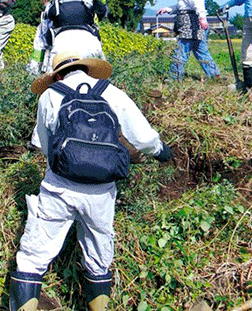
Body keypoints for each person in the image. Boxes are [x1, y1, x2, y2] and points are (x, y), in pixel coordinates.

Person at [9, 50, 173, 311]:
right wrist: (161, 151)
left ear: (57, 74)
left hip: (59, 188)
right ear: (87, 69)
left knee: (33, 257)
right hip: (101, 192)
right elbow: (142, 137)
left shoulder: (50, 95)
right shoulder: (112, 93)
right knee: (98, 258)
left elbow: (42, 144)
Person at [28, 0, 106, 75]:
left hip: (83, 24)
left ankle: (34, 69)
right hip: (86, 30)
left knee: (41, 36)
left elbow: (42, 38)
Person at [156, 0, 221, 80]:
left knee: (181, 51)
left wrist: (202, 18)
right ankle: (214, 74)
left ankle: (174, 78)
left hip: (190, 27)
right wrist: (168, 9)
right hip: (192, 27)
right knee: (201, 51)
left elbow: (199, 5)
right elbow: (181, 7)